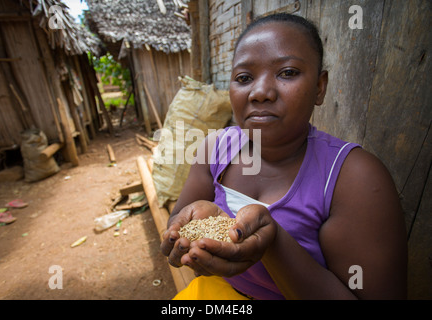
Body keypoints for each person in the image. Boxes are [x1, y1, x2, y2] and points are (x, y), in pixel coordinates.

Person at [160, 13, 407, 300]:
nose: (260, 92)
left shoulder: (354, 178)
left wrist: (273, 243)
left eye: (287, 72)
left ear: (319, 86)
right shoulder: (215, 148)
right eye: (244, 77)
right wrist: (183, 233)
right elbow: (178, 222)